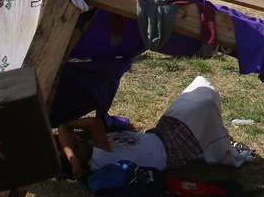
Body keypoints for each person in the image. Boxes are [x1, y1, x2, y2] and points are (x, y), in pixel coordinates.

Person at [57, 75, 252, 181]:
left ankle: (210, 142)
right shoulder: (99, 160)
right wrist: (74, 161)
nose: (79, 141)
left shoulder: (89, 150)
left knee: (199, 86)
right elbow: (93, 124)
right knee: (205, 101)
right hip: (171, 150)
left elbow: (63, 126)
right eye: (77, 146)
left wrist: (72, 156)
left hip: (161, 132)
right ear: (82, 162)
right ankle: (216, 146)